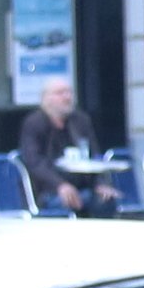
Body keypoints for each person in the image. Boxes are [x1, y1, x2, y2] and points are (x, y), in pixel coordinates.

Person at [15, 75, 116, 215]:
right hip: (48, 190)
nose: (67, 97)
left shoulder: (81, 121)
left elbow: (94, 156)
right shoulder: (34, 123)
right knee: (72, 201)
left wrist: (101, 183)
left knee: (106, 200)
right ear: (46, 98)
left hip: (83, 186)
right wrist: (60, 185)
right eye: (60, 93)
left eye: (69, 92)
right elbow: (35, 162)